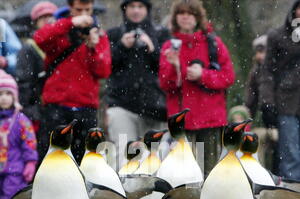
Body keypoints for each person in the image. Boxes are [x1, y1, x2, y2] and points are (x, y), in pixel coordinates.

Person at [159, 0, 235, 177]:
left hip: (210, 118)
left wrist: (203, 75)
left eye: (190, 13)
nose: (185, 17)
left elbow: (228, 77)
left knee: (209, 173)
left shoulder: (213, 44)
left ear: (198, 17)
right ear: (175, 17)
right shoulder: (169, 47)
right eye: (181, 13)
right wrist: (175, 67)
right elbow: (166, 84)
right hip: (182, 120)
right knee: (182, 174)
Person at [33, 0, 111, 164]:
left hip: (85, 107)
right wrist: (71, 22)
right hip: (56, 105)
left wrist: (93, 48)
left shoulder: (99, 35)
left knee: (84, 161)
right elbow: (39, 38)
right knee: (50, 160)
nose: (83, 14)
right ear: (70, 8)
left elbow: (103, 71)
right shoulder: (61, 28)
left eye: (87, 10)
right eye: (78, 9)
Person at [105, 0, 170, 168]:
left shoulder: (162, 33)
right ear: (125, 9)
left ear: (147, 10)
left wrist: (152, 48)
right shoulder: (113, 34)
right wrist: (121, 46)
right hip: (121, 105)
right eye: (132, 7)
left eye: (140, 7)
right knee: (124, 155)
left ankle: (152, 194)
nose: (136, 11)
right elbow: (104, 66)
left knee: (154, 157)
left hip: (153, 107)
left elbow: (168, 67)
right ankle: (125, 192)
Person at [260, 0, 300, 199]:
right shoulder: (277, 36)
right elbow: (266, 72)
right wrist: (267, 103)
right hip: (287, 104)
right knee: (290, 158)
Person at [16, 1, 58, 153]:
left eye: (51, 16)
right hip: (38, 110)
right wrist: (30, 110)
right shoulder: (29, 48)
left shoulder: (61, 45)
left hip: (57, 108)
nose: (48, 20)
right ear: (35, 22)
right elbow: (24, 83)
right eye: (43, 17)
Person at [0, 70, 38, 199]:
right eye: (0, 94)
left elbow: (29, 144)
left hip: (15, 168)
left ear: (14, 96)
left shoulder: (21, 120)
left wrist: (30, 163)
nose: (4, 98)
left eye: (8, 94)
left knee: (11, 196)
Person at [244, 35, 278, 173]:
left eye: (262, 51)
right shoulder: (256, 71)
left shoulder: (278, 68)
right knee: (269, 146)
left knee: (283, 146)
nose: (260, 55)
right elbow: (251, 97)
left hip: (283, 112)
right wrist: (247, 115)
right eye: (258, 52)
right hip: (267, 115)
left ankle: (279, 172)